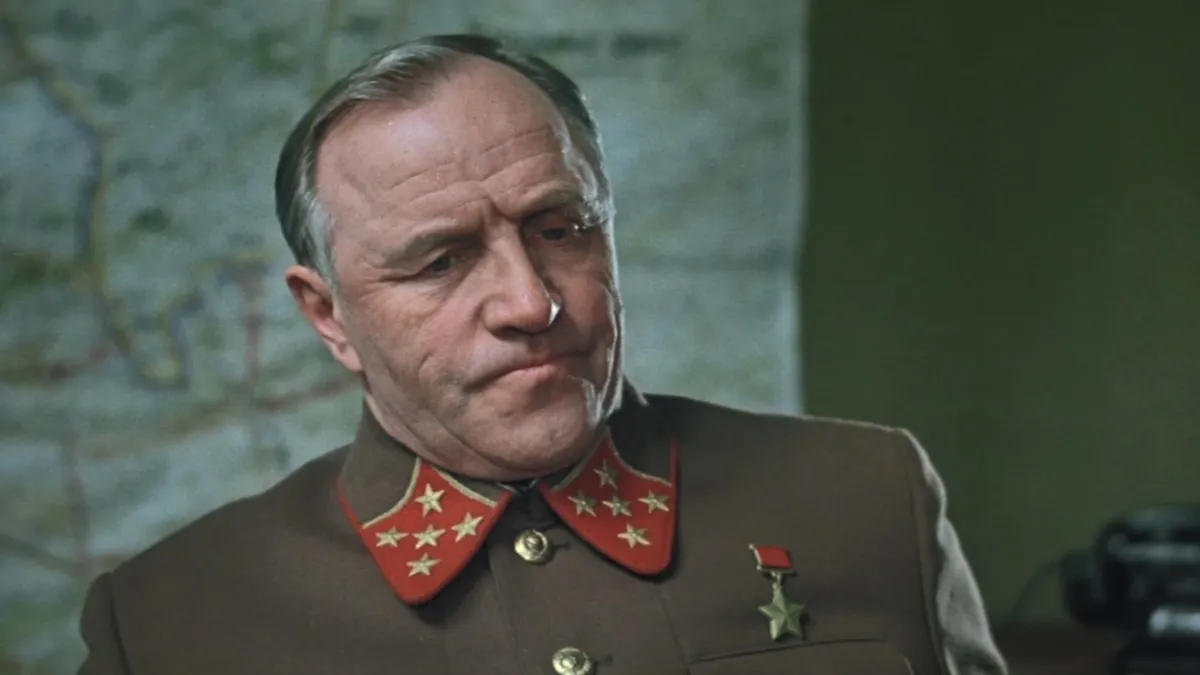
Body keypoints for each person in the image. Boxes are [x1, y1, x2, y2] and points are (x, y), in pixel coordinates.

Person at [76, 34, 1007, 675]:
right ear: (329, 317)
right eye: (440, 262)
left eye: (561, 228)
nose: (530, 301)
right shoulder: (166, 622)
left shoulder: (869, 500)